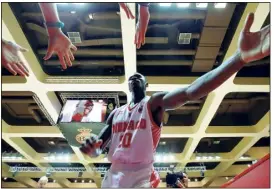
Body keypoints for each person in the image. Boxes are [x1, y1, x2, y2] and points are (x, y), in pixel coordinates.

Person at [80, 13, 270, 188]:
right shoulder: (116, 113)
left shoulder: (153, 103)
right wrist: (93, 151)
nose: (135, 76)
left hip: (141, 174)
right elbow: (99, 146)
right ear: (127, 87)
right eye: (132, 77)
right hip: (114, 172)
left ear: (146, 86)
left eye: (140, 77)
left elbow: (190, 92)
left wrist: (239, 58)